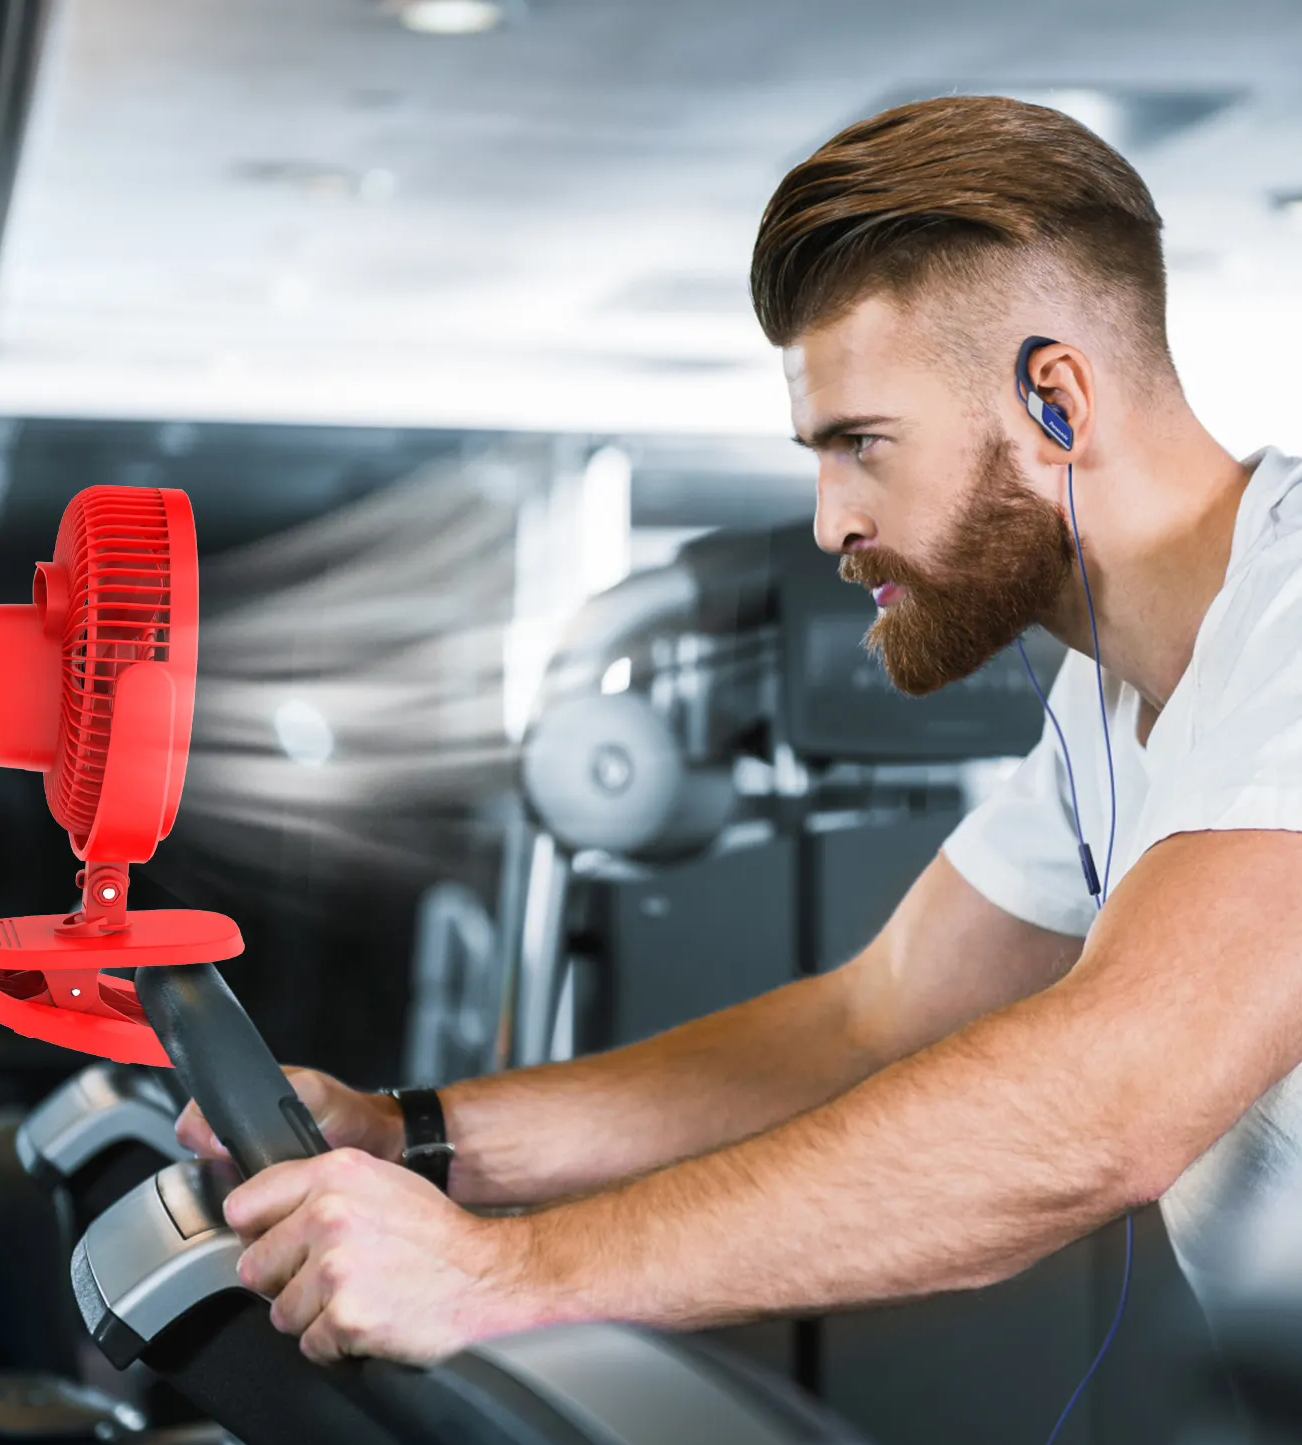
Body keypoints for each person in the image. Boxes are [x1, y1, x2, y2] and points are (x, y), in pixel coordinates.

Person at [178, 94, 1302, 1368]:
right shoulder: (1108, 701)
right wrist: (416, 1138)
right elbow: (869, 1020)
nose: (830, 522)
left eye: (863, 447)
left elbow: (1110, 1096)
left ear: (1055, 401)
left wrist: (503, 1276)